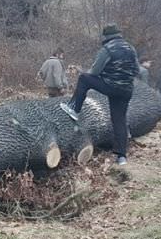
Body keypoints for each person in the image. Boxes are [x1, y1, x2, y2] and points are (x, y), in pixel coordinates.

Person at [59, 24, 139, 165]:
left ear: (106, 37)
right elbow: (137, 70)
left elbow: (94, 72)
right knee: (119, 120)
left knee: (84, 78)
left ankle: (74, 108)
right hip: (126, 90)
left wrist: (104, 77)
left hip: (111, 86)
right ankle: (121, 157)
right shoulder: (131, 48)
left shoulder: (107, 49)